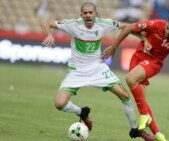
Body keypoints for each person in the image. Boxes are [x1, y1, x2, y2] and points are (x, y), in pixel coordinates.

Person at [40, 2, 154, 141]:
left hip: (97, 68)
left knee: (124, 95)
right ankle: (82, 112)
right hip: (77, 71)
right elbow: (46, 22)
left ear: (96, 14)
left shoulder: (104, 24)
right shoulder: (72, 24)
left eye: (90, 12)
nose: (88, 15)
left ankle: (136, 130)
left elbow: (128, 27)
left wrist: (144, 39)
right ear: (81, 15)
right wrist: (49, 35)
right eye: (85, 13)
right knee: (59, 104)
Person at [102, 13, 169, 141]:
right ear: (166, 23)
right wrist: (114, 47)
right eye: (167, 28)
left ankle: (144, 115)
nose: (167, 32)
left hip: (154, 63)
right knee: (142, 101)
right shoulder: (155, 25)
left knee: (130, 79)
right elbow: (128, 28)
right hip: (137, 59)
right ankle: (158, 135)